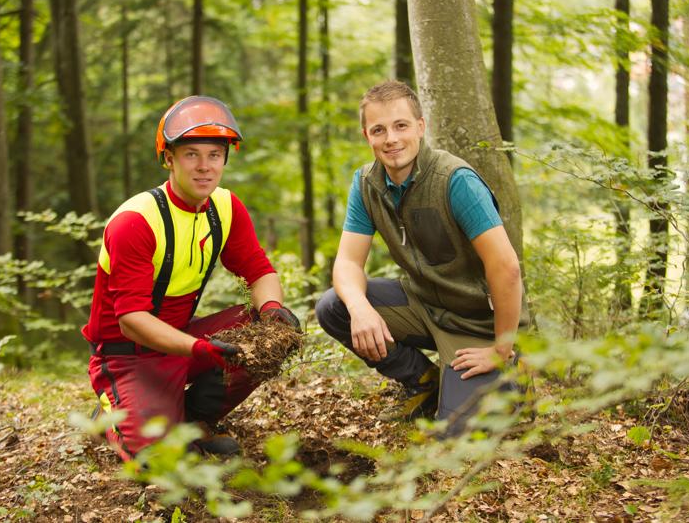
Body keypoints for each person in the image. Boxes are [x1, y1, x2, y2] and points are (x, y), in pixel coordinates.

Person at [83, 96, 299, 460]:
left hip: (180, 339)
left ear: (225, 159)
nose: (204, 167)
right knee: (158, 462)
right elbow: (131, 321)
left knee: (274, 332)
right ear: (169, 158)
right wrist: (200, 349)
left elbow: (260, 270)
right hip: (127, 355)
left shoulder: (225, 207)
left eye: (214, 155)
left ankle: (195, 418)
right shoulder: (136, 221)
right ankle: (114, 413)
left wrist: (273, 309)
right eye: (191, 155)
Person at [315, 81, 529, 429]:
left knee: (457, 438)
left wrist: (501, 349)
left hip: (478, 323)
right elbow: (348, 263)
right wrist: (360, 309)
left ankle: (511, 374)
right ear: (367, 136)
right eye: (378, 130)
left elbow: (505, 268)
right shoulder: (366, 184)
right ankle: (424, 383)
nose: (391, 139)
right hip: (424, 304)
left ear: (420, 126)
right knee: (334, 306)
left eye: (400, 126)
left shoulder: (455, 180)